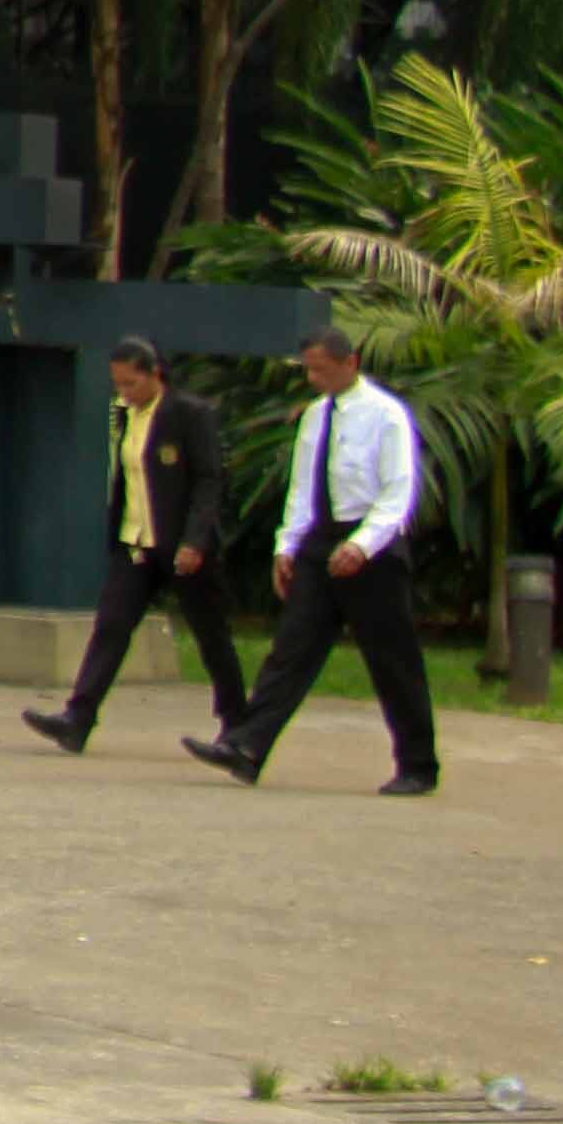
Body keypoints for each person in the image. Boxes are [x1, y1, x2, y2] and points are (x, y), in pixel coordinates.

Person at [186, 322, 441, 797]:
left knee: (392, 659)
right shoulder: (315, 417)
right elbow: (302, 488)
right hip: (320, 539)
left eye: (322, 370)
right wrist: (287, 545)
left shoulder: (386, 415)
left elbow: (397, 492)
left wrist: (362, 545)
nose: (314, 379)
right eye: (309, 370)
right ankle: (247, 745)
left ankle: (417, 764)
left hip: (373, 544)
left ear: (350, 363)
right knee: (291, 649)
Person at [22, 337, 246, 754]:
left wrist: (195, 540)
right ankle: (78, 717)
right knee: (111, 626)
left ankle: (236, 723)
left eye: (131, 383)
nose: (124, 392)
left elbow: (208, 481)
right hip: (135, 543)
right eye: (118, 385)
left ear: (154, 374)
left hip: (181, 545)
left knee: (210, 634)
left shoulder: (188, 414)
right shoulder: (127, 416)